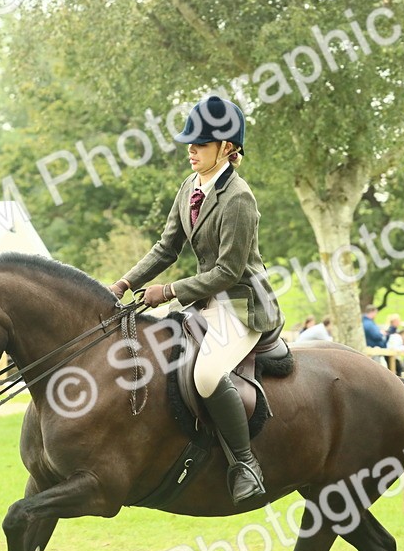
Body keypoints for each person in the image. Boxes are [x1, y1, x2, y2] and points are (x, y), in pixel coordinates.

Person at [109, 96, 280, 504]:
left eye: (201, 143)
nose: (191, 149)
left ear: (227, 148)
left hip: (241, 306)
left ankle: (245, 464)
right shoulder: (190, 187)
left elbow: (228, 272)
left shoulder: (239, 198)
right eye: (190, 141)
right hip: (203, 301)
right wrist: (123, 283)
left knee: (205, 376)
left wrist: (167, 291)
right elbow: (166, 248)